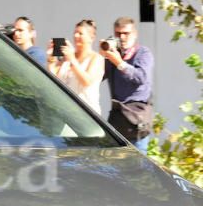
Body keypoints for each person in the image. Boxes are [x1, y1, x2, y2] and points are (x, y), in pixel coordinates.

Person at [103, 16, 154, 152]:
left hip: (136, 120)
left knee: (139, 167)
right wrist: (101, 57)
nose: (122, 37)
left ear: (135, 34)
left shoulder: (143, 53)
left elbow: (141, 77)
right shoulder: (113, 56)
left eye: (126, 33)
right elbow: (97, 77)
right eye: (118, 34)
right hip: (118, 120)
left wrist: (119, 63)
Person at [48, 19, 104, 115]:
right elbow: (52, 78)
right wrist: (51, 59)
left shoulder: (96, 58)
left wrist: (72, 60)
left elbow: (86, 81)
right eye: (75, 33)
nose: (76, 36)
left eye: (80, 33)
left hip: (87, 114)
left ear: (91, 37)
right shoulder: (67, 57)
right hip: (66, 113)